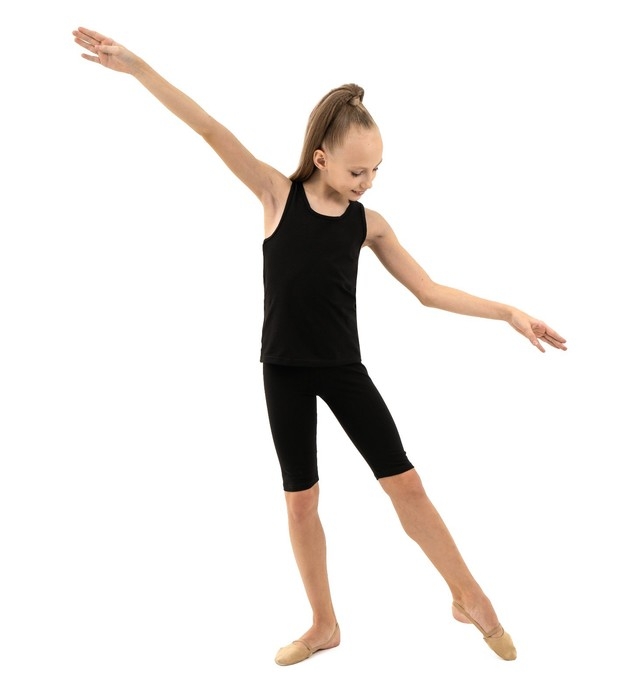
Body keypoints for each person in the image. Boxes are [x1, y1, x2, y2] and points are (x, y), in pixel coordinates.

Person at [72, 26, 567, 666]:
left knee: (407, 485)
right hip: (283, 370)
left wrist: (508, 313)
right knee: (301, 502)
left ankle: (470, 597)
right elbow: (210, 129)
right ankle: (323, 623)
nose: (368, 181)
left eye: (377, 170)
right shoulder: (275, 193)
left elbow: (428, 290)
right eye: (358, 170)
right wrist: (139, 68)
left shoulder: (369, 224)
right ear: (322, 157)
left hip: (342, 370)